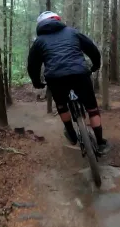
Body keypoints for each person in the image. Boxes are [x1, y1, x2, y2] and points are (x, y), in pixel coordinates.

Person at [27, 11, 110, 154]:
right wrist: (95, 65)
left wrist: (36, 82)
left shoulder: (39, 41)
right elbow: (92, 49)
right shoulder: (72, 32)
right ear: (58, 20)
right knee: (91, 108)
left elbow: (32, 65)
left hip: (55, 78)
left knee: (61, 105)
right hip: (79, 74)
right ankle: (101, 142)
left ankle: (71, 133)